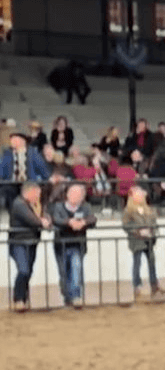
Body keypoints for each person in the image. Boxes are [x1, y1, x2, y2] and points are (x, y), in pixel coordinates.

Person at [9, 182, 52, 311]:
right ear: (28, 192)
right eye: (36, 193)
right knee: (24, 270)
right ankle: (18, 299)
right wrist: (42, 222)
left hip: (32, 242)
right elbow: (32, 220)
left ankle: (22, 299)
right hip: (19, 243)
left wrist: (46, 221)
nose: (38, 196)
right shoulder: (19, 204)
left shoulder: (36, 204)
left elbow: (46, 215)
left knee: (28, 271)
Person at [51, 183, 97, 307]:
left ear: (82, 197)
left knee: (76, 269)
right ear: (67, 194)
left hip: (77, 244)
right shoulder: (59, 206)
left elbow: (93, 219)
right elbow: (55, 219)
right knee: (64, 272)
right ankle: (67, 296)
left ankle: (76, 296)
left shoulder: (85, 207)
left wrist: (83, 222)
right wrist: (69, 222)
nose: (74, 196)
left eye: (77, 194)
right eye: (72, 193)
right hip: (61, 245)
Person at [122, 186, 164, 298]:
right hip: (137, 240)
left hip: (149, 240)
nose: (142, 197)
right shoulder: (128, 211)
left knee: (151, 261)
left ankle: (154, 284)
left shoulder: (148, 209)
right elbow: (126, 225)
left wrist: (151, 231)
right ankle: (137, 285)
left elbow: (154, 223)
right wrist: (138, 231)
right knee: (137, 262)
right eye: (139, 195)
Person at [1, 129, 51, 209]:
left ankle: (28, 211)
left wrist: (48, 178)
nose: (12, 142)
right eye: (12, 139)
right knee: (8, 190)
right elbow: (2, 170)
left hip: (28, 182)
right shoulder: (7, 153)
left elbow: (42, 169)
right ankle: (14, 212)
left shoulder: (33, 152)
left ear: (23, 141)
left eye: (15, 139)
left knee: (30, 190)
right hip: (12, 183)